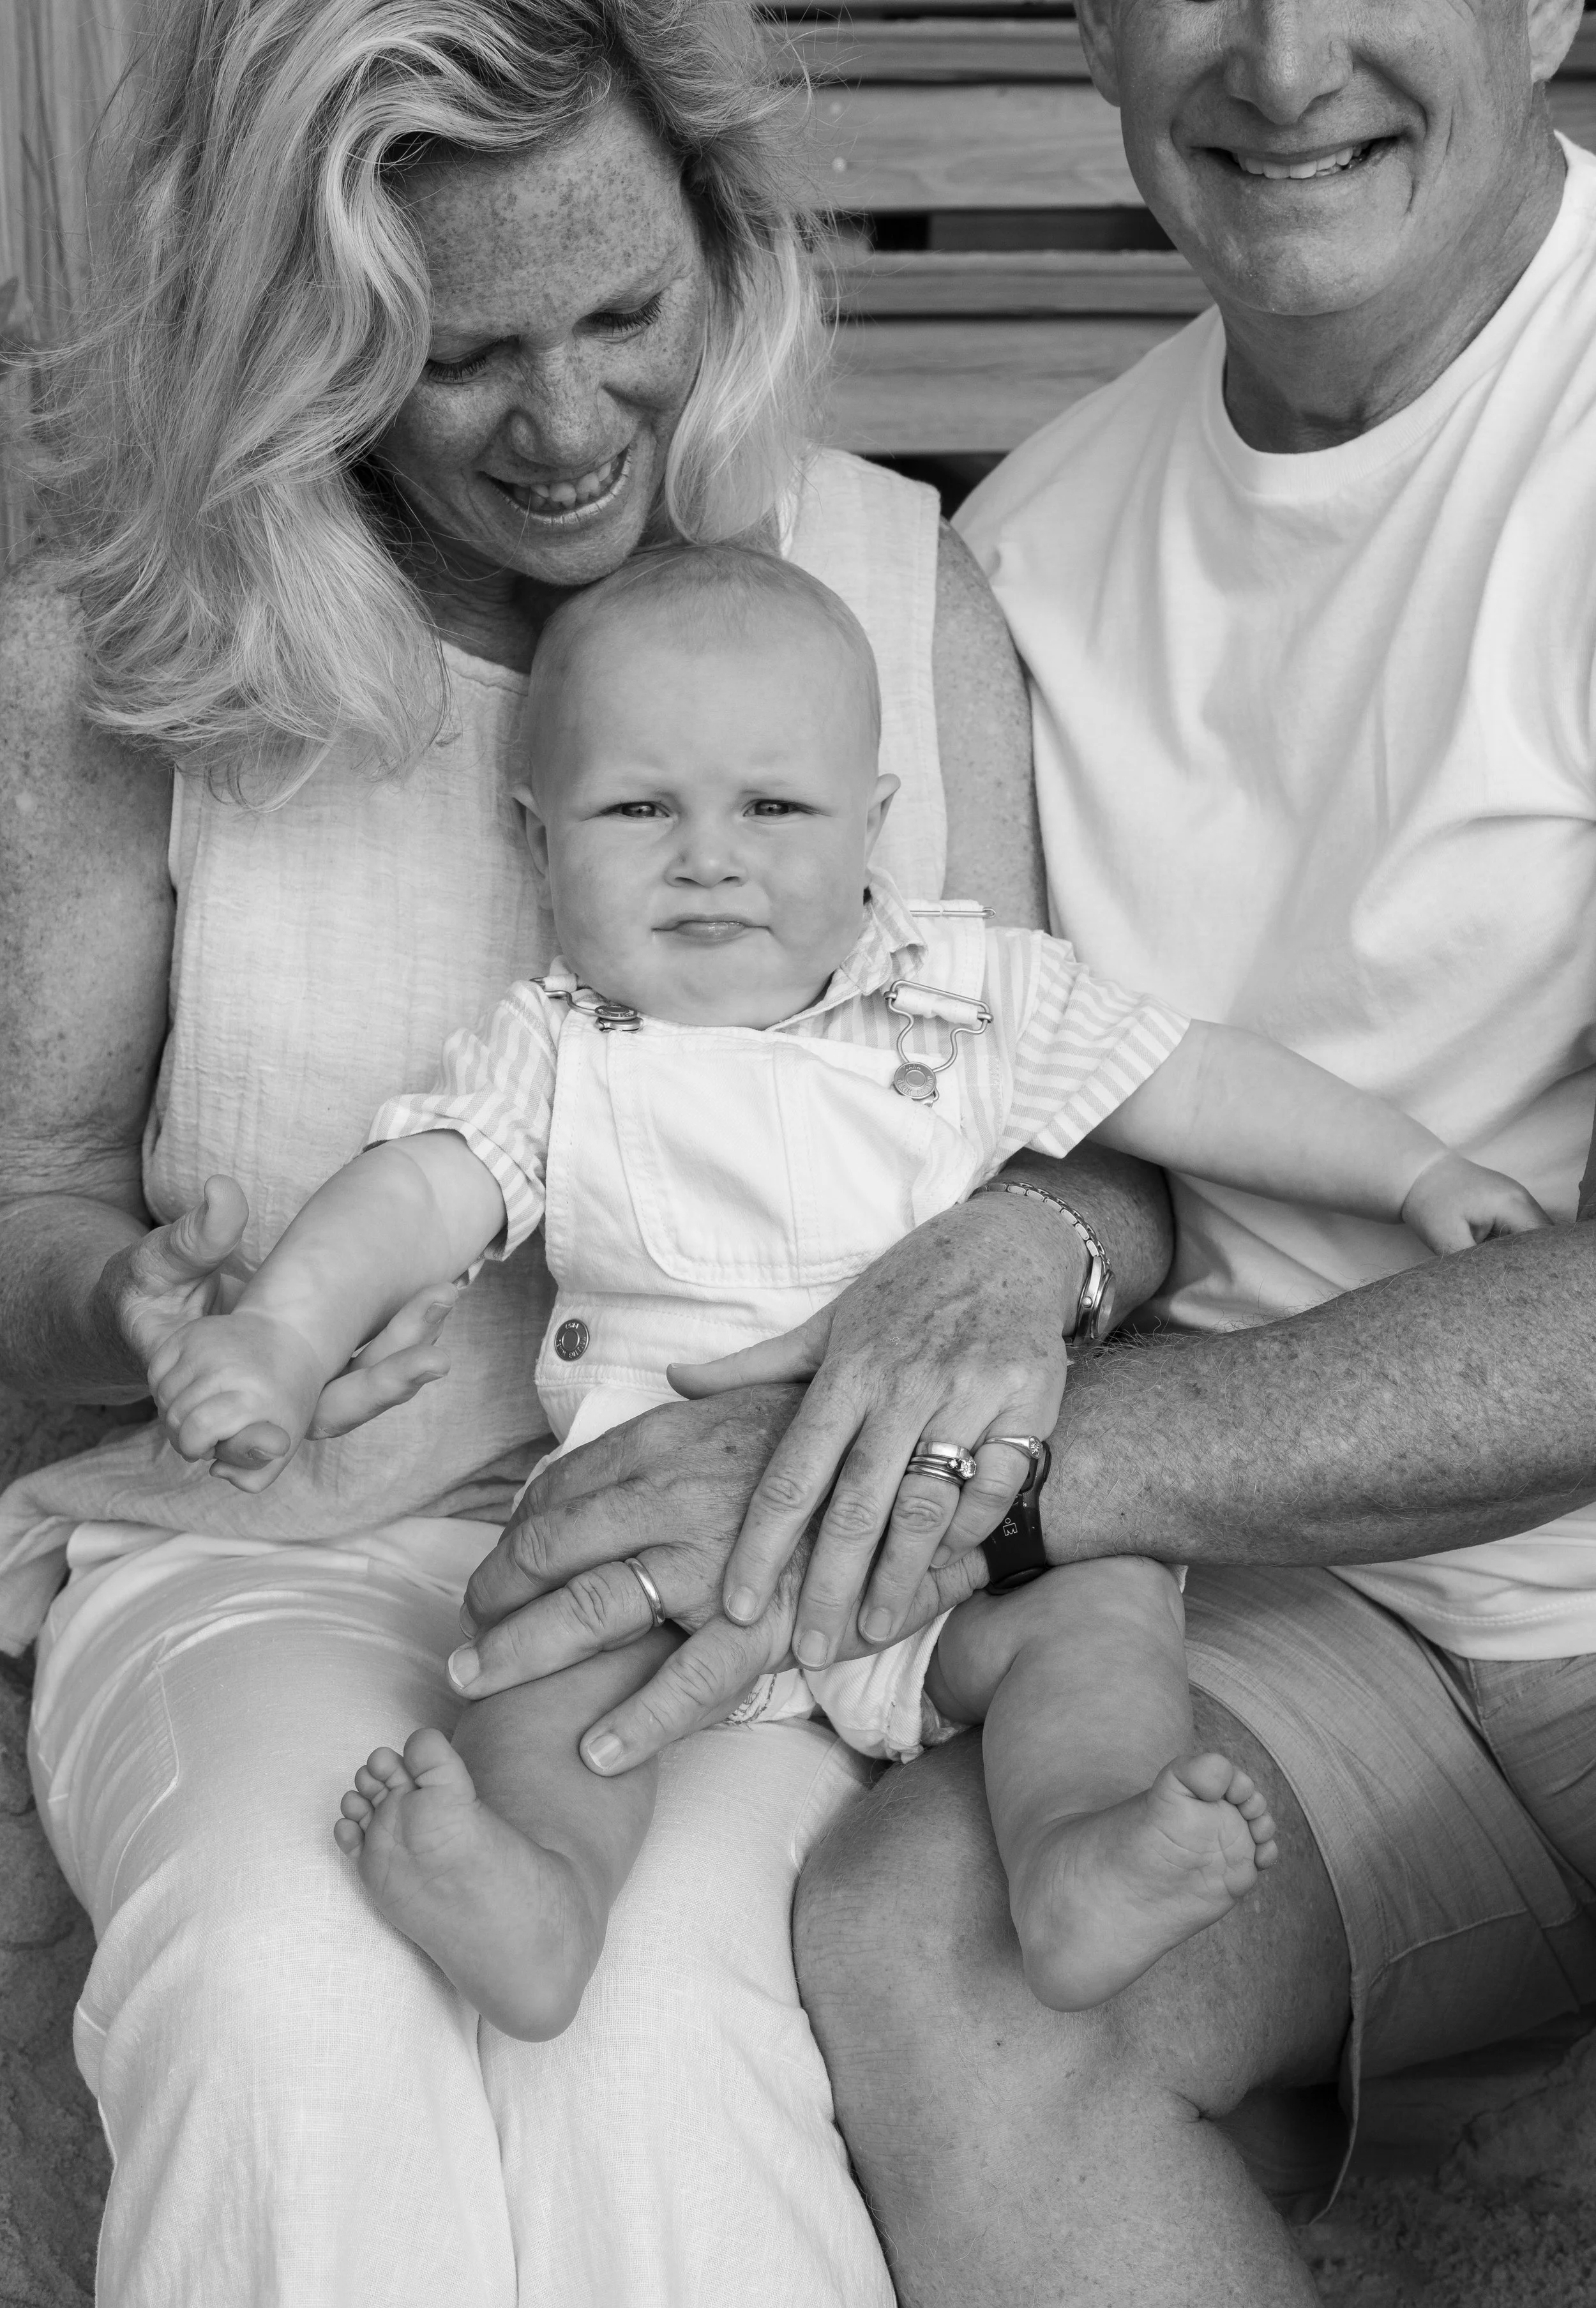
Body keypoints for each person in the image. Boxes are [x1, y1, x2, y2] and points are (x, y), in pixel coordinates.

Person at [430, 3, 1596, 2308]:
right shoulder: (1035, 548)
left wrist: (995, 1463)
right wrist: (1014, 1255)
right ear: (1090, 25)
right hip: (1281, 1622)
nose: (1283, 58)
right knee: (932, 1953)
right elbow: (1028, 1075)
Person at [0, 2, 1126, 2308]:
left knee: (656, 2040)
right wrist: (143, 1303)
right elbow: (31, 1197)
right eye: (457, 353)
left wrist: (1005, 1255)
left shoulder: (888, 589)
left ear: (727, 241)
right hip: (270, 1550)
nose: (567, 422)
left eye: (626, 312)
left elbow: (1067, 1150)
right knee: (291, 1984)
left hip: (754, 1565)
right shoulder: (141, 632)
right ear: (305, 336)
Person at [145, 535, 1549, 2042]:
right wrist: (284, 1331)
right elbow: (416, 1192)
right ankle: (535, 1897)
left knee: (1103, 1615)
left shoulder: (967, 995)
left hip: (954, 1549)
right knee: (534, 1674)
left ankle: (1079, 1855)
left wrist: (1410, 1172)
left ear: (871, 824)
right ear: (537, 837)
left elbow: (1191, 1081)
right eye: (637, 809)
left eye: (771, 807)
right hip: (661, 1535)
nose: (707, 856)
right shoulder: (556, 1048)